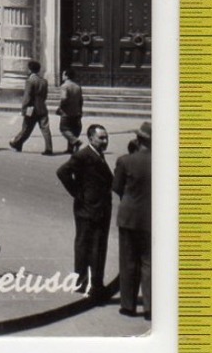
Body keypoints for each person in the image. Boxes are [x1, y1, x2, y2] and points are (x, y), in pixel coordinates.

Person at [56, 123, 114, 302]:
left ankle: (95, 284)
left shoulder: (98, 155)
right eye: (101, 138)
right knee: (85, 247)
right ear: (90, 138)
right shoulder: (83, 155)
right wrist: (78, 194)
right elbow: (62, 172)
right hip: (88, 210)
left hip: (99, 209)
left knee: (97, 248)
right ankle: (83, 284)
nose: (105, 141)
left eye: (106, 138)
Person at [113, 120, 152, 320]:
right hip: (151, 218)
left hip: (129, 217)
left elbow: (117, 187)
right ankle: (150, 307)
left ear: (138, 139)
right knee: (148, 262)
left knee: (128, 261)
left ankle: (128, 305)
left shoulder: (125, 161)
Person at [11, 59, 54, 154]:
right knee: (45, 129)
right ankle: (49, 148)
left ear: (30, 70)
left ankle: (17, 143)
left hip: (31, 108)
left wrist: (24, 109)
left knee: (26, 128)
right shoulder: (44, 81)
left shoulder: (30, 81)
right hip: (42, 108)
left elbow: (27, 97)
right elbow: (45, 95)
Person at [55, 67, 85, 155]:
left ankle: (75, 141)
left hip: (66, 112)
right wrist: (80, 110)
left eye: (63, 75)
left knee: (64, 128)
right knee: (73, 129)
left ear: (66, 76)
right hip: (76, 111)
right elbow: (81, 100)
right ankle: (70, 148)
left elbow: (64, 98)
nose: (62, 76)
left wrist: (60, 107)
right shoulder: (77, 86)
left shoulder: (64, 86)